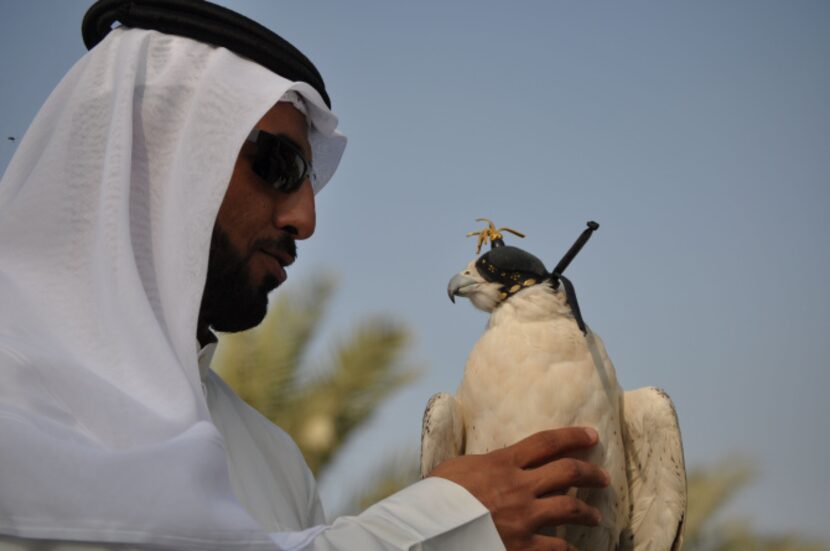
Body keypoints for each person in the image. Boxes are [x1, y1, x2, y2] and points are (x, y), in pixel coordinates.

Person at [0, 2, 608, 549]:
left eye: (309, 181)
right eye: (278, 165)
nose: (306, 218)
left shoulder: (275, 459)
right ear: (155, 157)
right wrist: (451, 521)